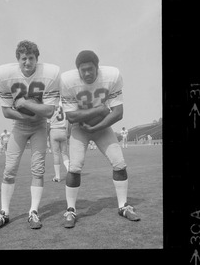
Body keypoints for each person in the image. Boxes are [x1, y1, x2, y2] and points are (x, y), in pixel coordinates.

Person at [60, 50, 140, 228]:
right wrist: (98, 110)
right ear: (77, 70)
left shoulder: (111, 76)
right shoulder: (67, 81)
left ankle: (123, 206)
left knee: (119, 163)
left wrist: (96, 126)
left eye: (90, 69)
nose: (87, 73)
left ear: (98, 68)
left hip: (102, 127)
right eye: (83, 70)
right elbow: (71, 117)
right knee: (74, 167)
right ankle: (70, 209)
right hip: (80, 128)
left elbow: (118, 113)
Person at [0, 40, 60, 231]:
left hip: (39, 127)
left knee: (38, 170)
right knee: (9, 169)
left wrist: (24, 103)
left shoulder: (50, 74)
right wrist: (30, 113)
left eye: (31, 58)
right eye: (23, 58)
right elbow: (6, 112)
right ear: (17, 60)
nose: (27, 62)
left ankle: (33, 212)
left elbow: (49, 111)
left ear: (37, 59)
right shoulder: (5, 75)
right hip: (19, 127)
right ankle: (4, 212)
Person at [47, 98, 70, 182]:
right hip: (63, 130)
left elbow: (48, 123)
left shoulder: (50, 106)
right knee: (64, 153)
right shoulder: (63, 104)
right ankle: (69, 171)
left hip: (54, 130)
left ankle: (57, 176)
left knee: (56, 154)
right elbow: (68, 120)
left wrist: (47, 136)